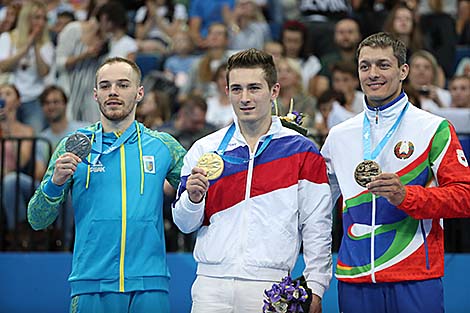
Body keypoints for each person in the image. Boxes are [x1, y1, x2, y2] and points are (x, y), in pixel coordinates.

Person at [172, 48, 333, 313]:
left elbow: (318, 225)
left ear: (274, 91)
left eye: (254, 88)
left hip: (272, 287)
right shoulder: (205, 149)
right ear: (227, 92)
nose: (244, 98)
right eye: (236, 89)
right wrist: (193, 199)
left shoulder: (302, 152)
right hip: (210, 287)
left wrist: (316, 286)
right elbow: (184, 224)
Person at [321, 32, 470, 313]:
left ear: (403, 71)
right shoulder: (339, 136)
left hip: (415, 276)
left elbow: (465, 196)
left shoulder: (433, 128)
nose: (373, 74)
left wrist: (407, 196)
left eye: (383, 65)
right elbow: (317, 206)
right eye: (365, 66)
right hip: (355, 277)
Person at [27, 57, 187, 313]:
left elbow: (198, 198)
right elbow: (37, 219)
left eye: (123, 85)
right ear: (95, 94)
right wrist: (54, 184)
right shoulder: (73, 145)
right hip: (91, 283)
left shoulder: (163, 146)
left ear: (139, 93)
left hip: (150, 284)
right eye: (105, 85)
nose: (113, 91)